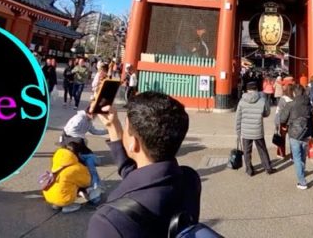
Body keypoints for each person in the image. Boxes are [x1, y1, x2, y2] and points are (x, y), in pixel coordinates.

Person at [87, 93, 202, 237]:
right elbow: (141, 174)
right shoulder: (189, 179)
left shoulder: (109, 221)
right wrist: (113, 126)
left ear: (133, 143)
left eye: (126, 128)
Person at [62, 108, 108, 192]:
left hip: (77, 144)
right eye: (94, 115)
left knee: (89, 162)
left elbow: (94, 131)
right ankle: (95, 185)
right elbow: (69, 130)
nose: (95, 117)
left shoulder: (88, 121)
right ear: (89, 113)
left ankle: (95, 184)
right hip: (72, 143)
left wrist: (107, 131)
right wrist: (81, 137)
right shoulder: (78, 118)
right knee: (89, 161)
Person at [43, 140, 96, 213]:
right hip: (64, 198)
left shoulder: (57, 160)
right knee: (79, 185)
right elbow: (86, 182)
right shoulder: (76, 167)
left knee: (62, 185)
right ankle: (67, 206)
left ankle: (56, 204)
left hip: (48, 195)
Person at [277, 84, 313, 190]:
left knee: (296, 157)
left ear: (294, 93)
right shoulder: (308, 104)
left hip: (294, 133)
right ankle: (302, 171)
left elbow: (282, 119)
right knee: (303, 155)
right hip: (306, 132)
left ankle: (302, 181)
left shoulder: (290, 104)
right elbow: (312, 118)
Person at [235, 81, 273, 177]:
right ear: (256, 89)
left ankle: (249, 170)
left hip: (246, 130)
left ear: (247, 90)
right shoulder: (262, 100)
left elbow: (238, 117)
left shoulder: (242, 101)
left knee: (247, 151)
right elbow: (267, 113)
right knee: (262, 149)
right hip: (257, 129)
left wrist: (238, 131)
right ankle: (268, 167)